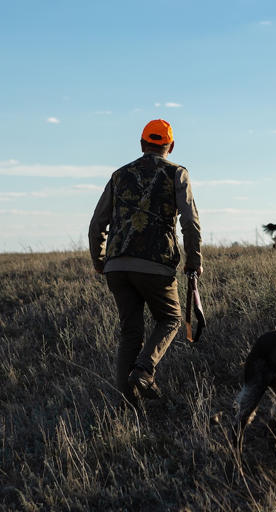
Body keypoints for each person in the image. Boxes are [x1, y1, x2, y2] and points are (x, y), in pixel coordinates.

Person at [89, 119, 202, 407]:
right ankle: (143, 370)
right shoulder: (177, 173)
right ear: (170, 146)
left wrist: (100, 261)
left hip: (116, 266)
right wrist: (193, 261)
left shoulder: (119, 175)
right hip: (156, 264)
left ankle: (128, 405)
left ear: (142, 144)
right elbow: (190, 222)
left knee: (130, 332)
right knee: (171, 319)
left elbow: (96, 225)